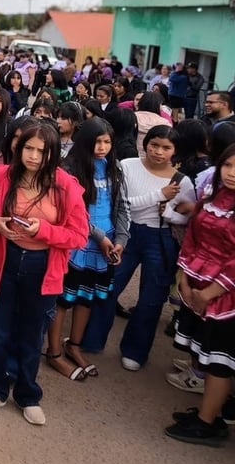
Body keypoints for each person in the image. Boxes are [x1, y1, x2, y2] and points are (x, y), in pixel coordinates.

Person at [0, 123, 89, 424]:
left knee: (31, 334)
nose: (34, 156)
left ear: (52, 153)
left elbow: (79, 234)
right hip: (5, 261)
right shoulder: (2, 178)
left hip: (42, 267)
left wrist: (46, 231)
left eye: (42, 150)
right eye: (29, 148)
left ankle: (28, 395)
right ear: (19, 147)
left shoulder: (65, 186)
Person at [164, 142, 235, 446]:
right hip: (199, 287)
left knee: (218, 362)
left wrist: (209, 293)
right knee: (204, 354)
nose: (231, 173)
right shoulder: (211, 201)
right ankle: (206, 413)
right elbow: (192, 241)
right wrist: (186, 282)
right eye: (227, 165)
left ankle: (207, 423)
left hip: (230, 296)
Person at [83, 125, 197, 366]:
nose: (158, 152)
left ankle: (135, 352)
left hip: (161, 238)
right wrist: (159, 195)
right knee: (109, 287)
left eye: (166, 148)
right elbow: (121, 205)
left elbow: (188, 217)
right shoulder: (127, 166)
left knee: (151, 298)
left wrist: (170, 216)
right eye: (154, 145)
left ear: (175, 151)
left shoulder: (182, 182)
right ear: (146, 144)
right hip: (127, 233)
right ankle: (91, 340)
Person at [47, 118, 128, 380]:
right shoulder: (70, 169)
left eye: (107, 141)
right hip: (78, 243)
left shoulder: (114, 168)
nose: (102, 147)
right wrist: (100, 237)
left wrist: (121, 240)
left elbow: (123, 208)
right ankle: (54, 352)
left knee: (88, 298)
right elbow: (74, 210)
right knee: (63, 300)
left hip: (105, 247)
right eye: (98, 141)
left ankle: (75, 345)